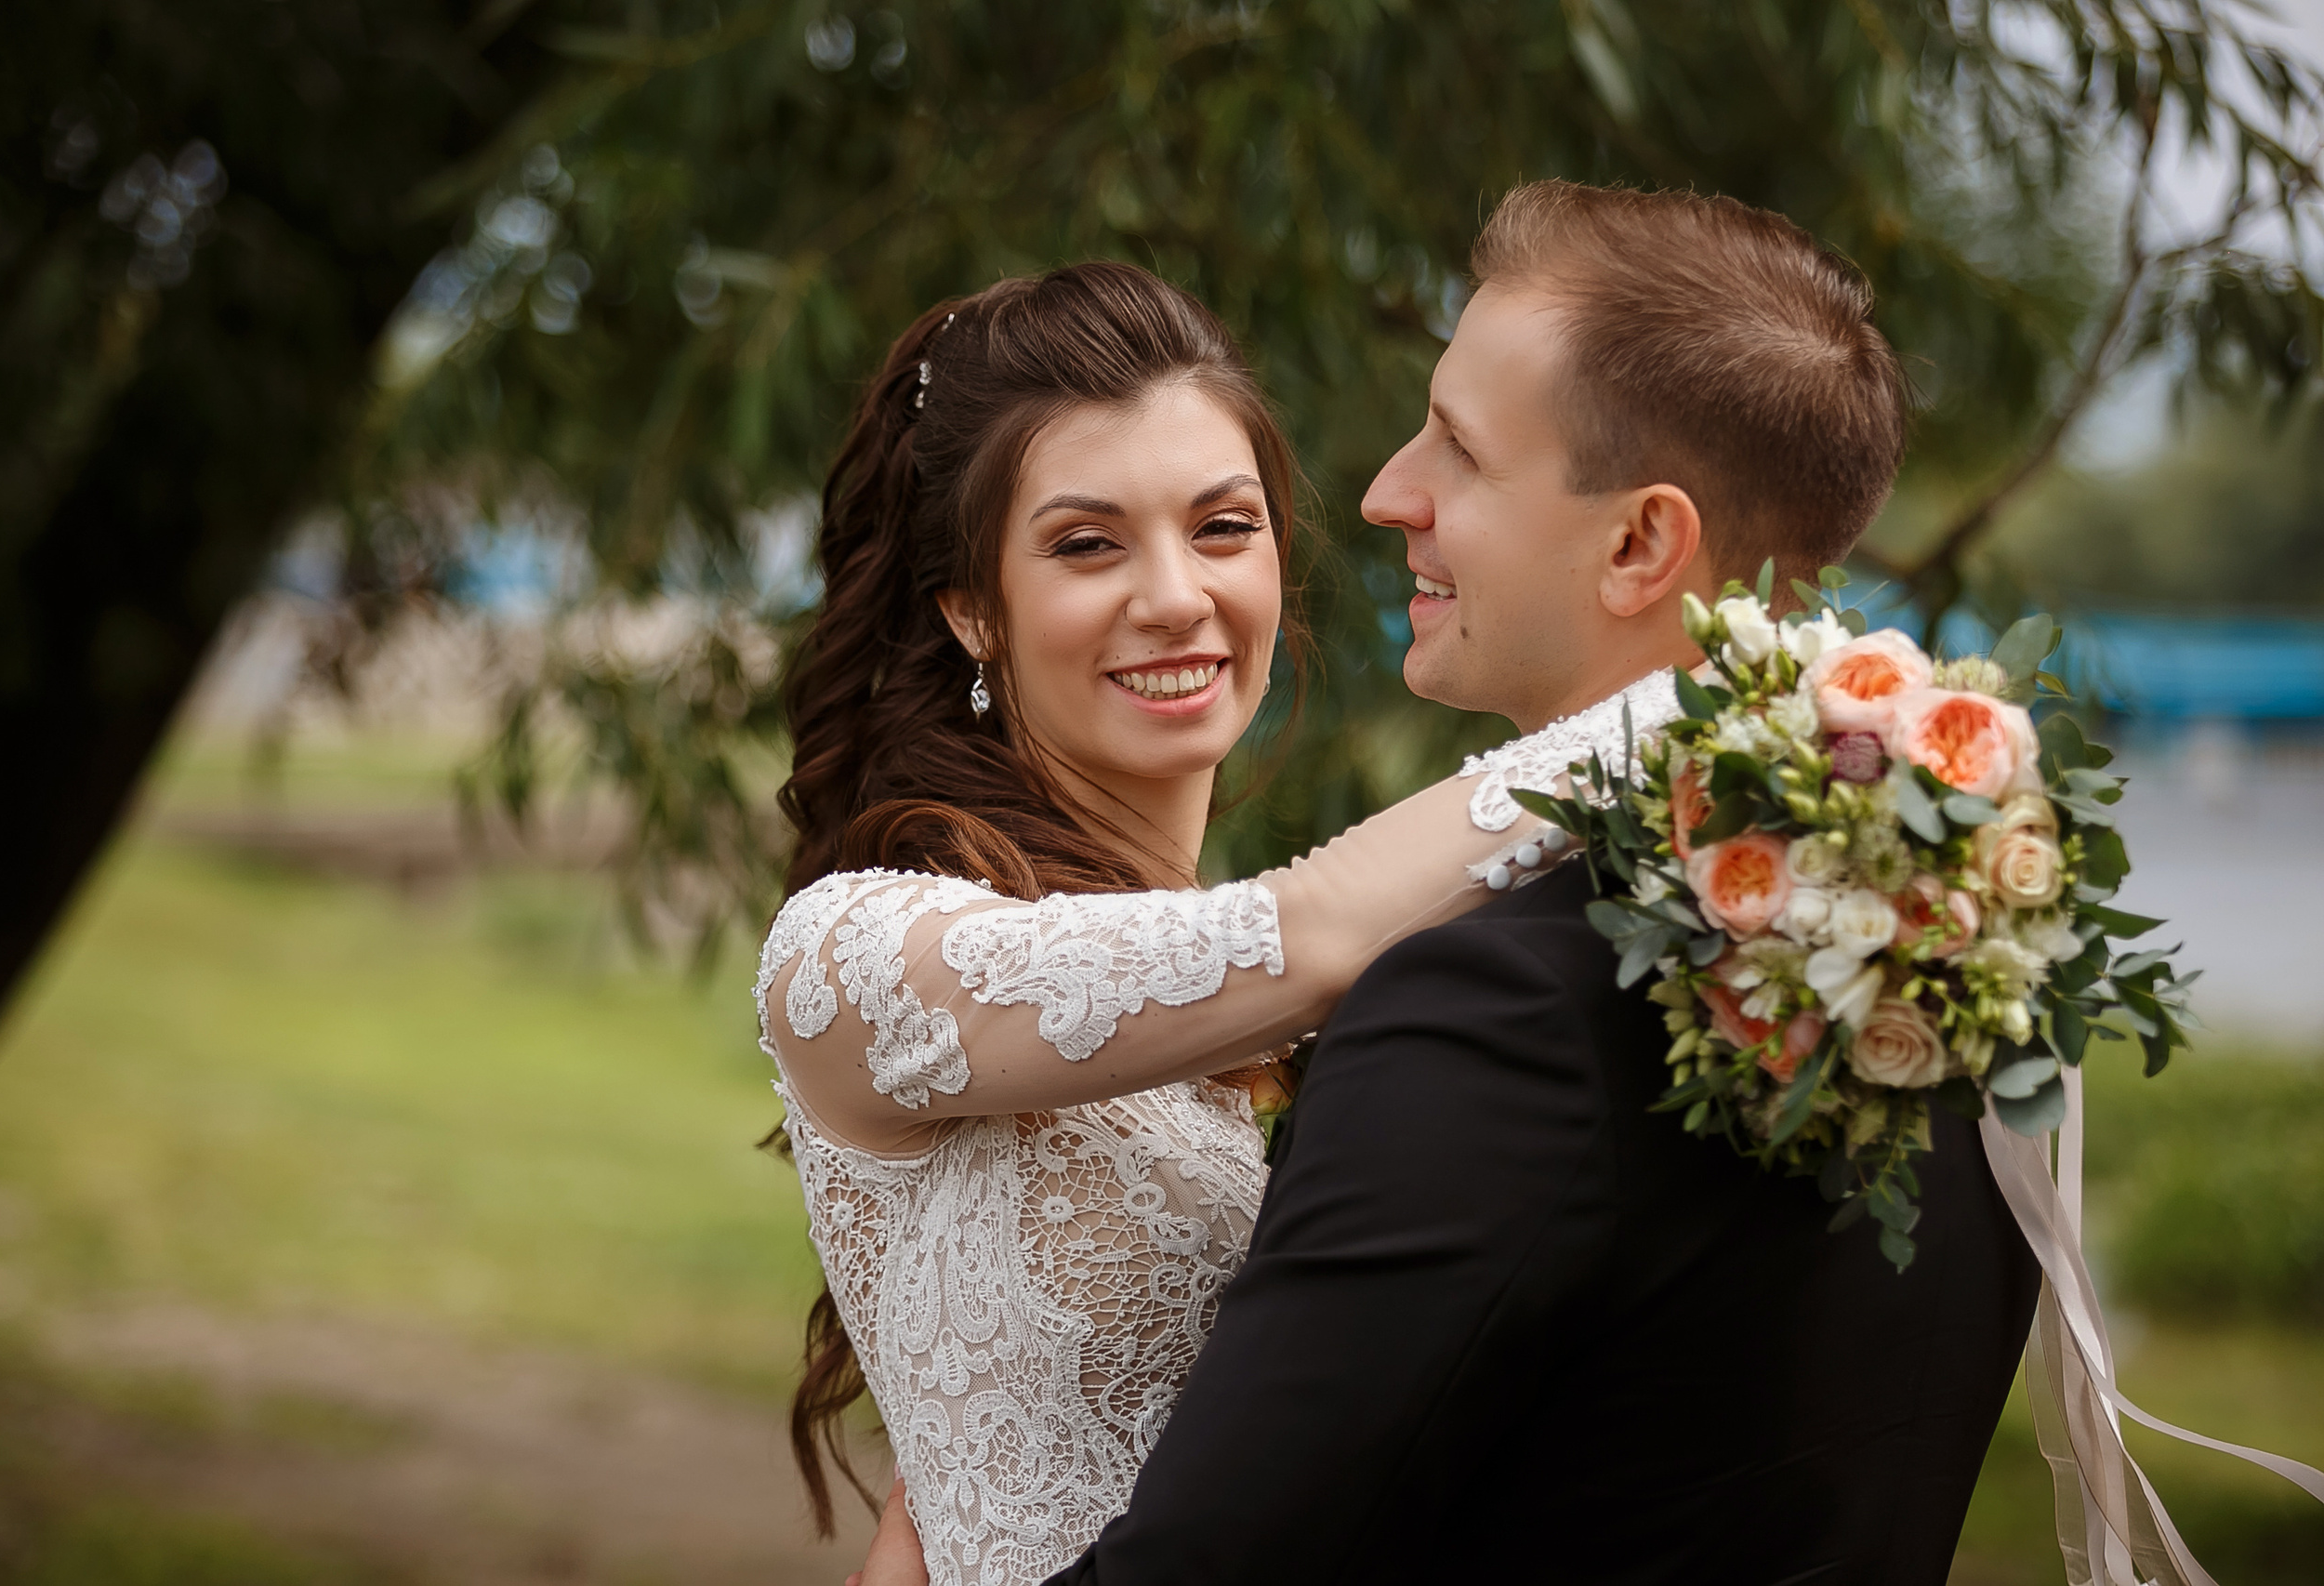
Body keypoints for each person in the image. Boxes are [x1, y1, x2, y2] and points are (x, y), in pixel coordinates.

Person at [848, 186, 2048, 1586]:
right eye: (1087, 540)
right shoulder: (1943, 942)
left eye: (1459, 450)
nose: (1382, 493)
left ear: (1640, 546)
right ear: (969, 601)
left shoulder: (1499, 1009)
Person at [760, 258, 1681, 1586]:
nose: (1177, 596)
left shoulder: (1250, 1011)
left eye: (1223, 527)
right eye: (1087, 543)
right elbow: (1305, 937)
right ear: (971, 607)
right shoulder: (852, 954)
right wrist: (1712, 707)